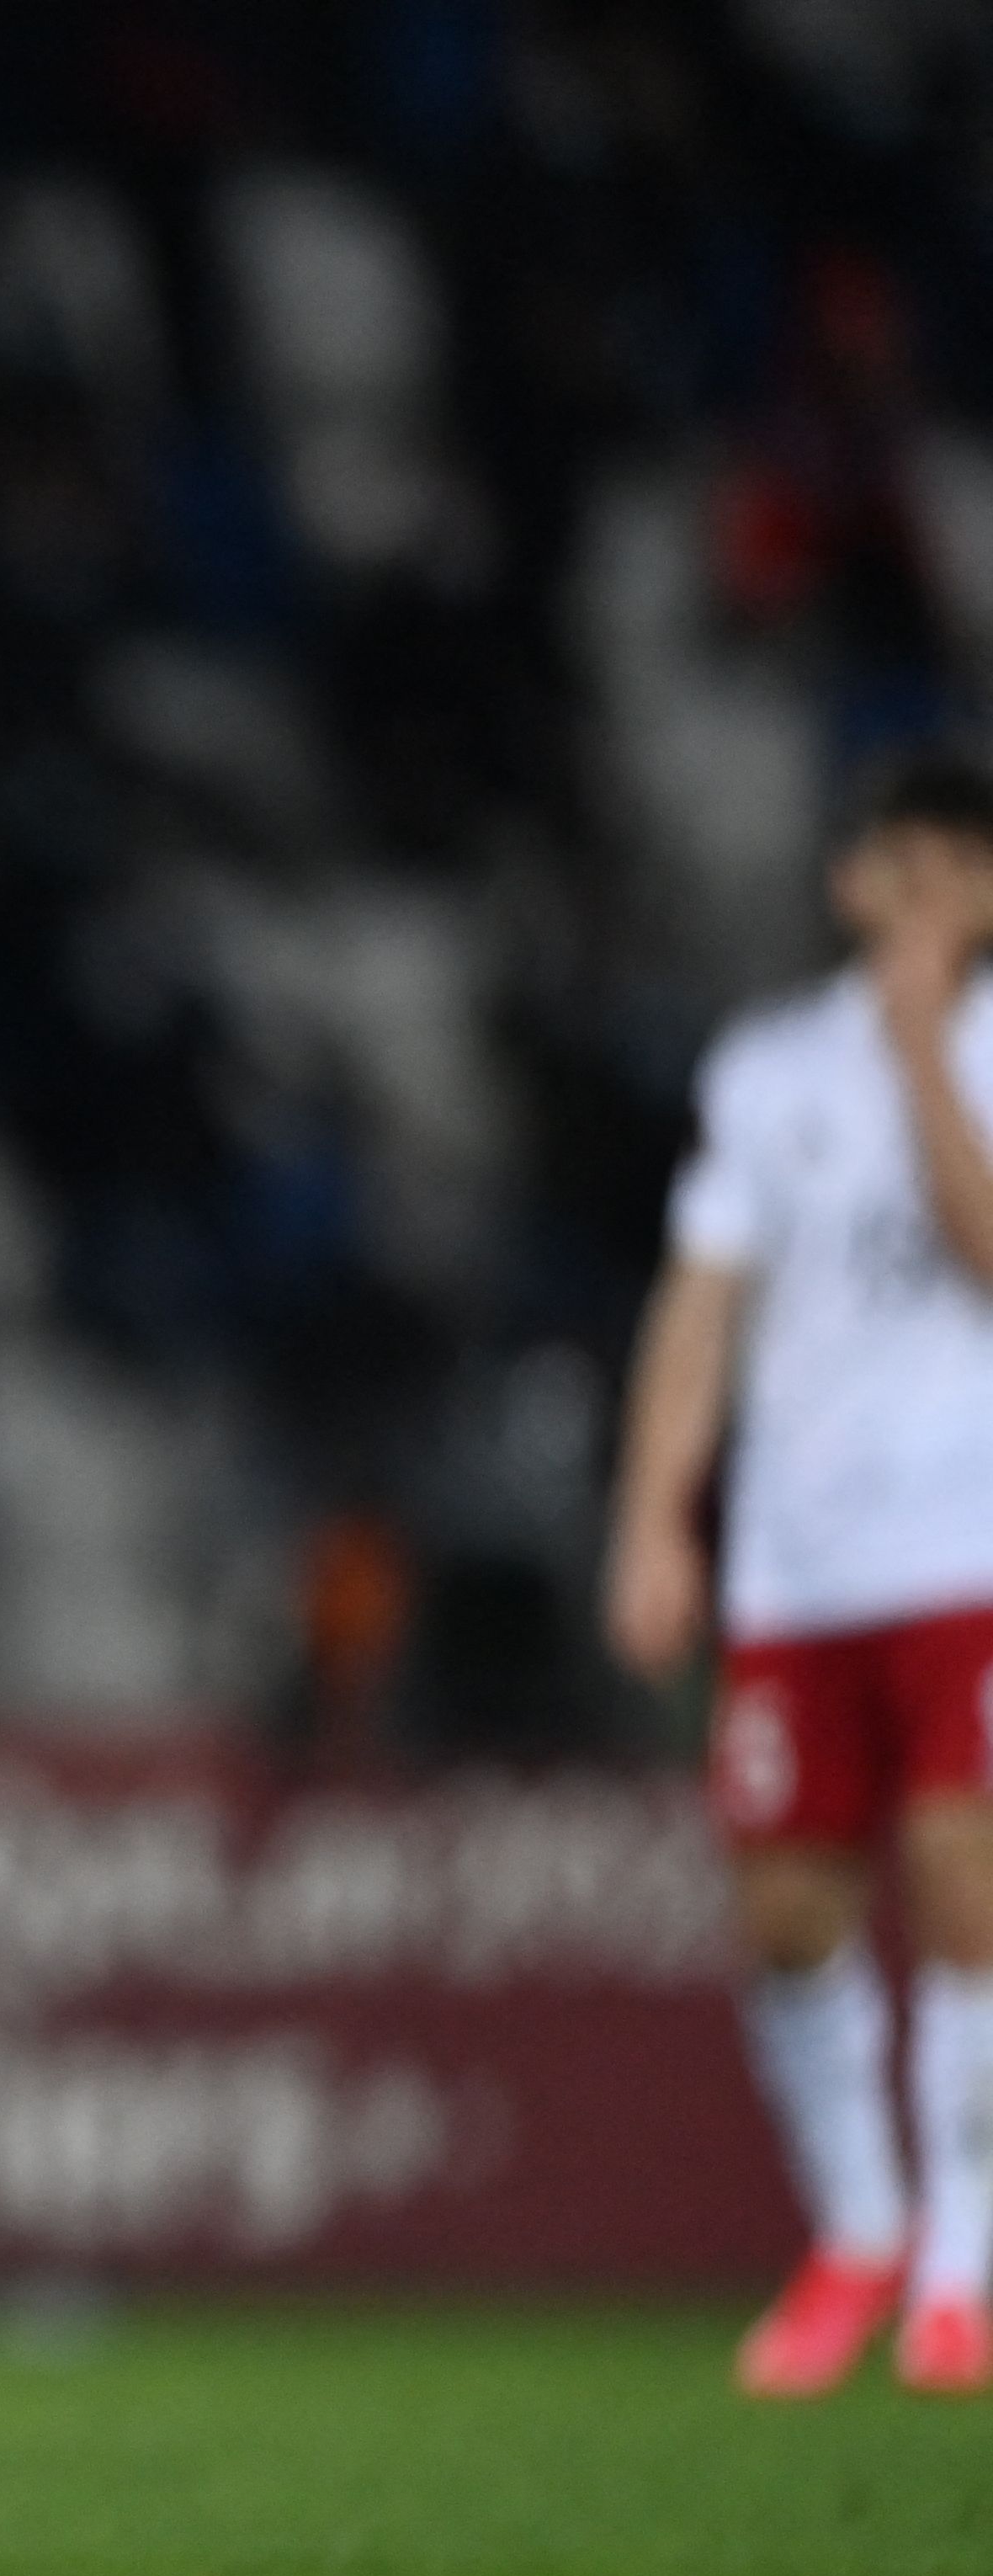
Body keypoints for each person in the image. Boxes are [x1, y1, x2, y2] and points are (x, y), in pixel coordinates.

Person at [605, 744, 993, 2398]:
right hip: (795, 1561)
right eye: (894, 863)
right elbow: (702, 1305)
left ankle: (965, 2261)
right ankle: (859, 2224)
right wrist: (652, 1513)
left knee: (966, 1874)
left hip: (967, 1539)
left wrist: (923, 1060)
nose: (921, 893)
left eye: (954, 865)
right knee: (785, 1909)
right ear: (850, 882)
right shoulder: (765, 1071)